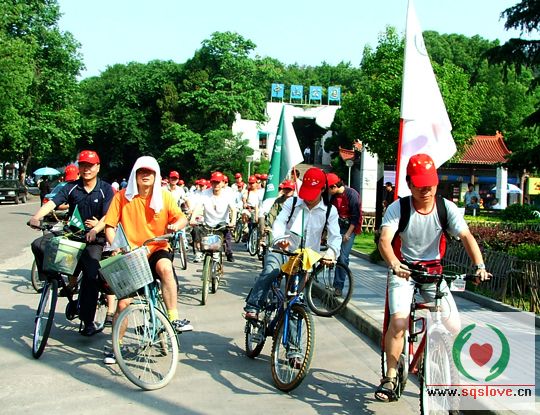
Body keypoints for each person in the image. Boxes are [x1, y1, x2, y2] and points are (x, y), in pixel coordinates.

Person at [375, 153, 491, 402]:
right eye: (419, 184)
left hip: (433, 273)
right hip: (404, 271)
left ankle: (438, 360)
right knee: (399, 323)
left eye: (430, 184)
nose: (426, 189)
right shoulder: (398, 208)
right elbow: (384, 241)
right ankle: (390, 376)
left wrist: (479, 266)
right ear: (409, 184)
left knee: (454, 326)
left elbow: (466, 236)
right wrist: (394, 264)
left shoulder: (446, 208)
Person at [103, 156, 192, 364]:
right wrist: (117, 246)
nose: (145, 175)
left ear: (156, 175)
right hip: (131, 254)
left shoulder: (164, 197)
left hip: (156, 248)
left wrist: (176, 225)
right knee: (123, 304)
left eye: (150, 172)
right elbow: (109, 226)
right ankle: (116, 346)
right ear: (135, 174)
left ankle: (173, 317)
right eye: (141, 171)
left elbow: (182, 218)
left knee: (166, 268)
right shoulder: (122, 197)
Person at [29, 150, 115, 336]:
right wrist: (36, 217)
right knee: (39, 244)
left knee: (91, 276)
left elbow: (109, 215)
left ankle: (88, 321)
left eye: (90, 166)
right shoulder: (71, 187)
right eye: (82, 165)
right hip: (72, 235)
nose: (86, 169)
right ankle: (51, 278)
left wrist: (95, 230)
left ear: (98, 167)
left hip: (94, 239)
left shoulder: (106, 189)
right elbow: (52, 203)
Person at [243, 167, 341, 319]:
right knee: (271, 271)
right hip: (282, 251)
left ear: (323, 189)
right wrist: (279, 239)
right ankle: (253, 307)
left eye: (313, 193)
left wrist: (331, 253)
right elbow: (279, 222)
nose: (308, 198)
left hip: (305, 259)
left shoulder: (330, 211)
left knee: (295, 300)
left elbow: (335, 236)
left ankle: (291, 332)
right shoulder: (293, 202)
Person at [326, 173, 362, 296]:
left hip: (349, 228)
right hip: (336, 227)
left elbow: (356, 217)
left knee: (343, 257)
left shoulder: (352, 194)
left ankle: (338, 286)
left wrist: (347, 234)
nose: (328, 191)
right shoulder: (333, 197)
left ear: (334, 186)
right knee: (332, 253)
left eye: (329, 188)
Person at [191, 171, 237, 262]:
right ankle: (200, 251)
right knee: (195, 230)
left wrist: (233, 222)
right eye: (214, 182)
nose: (216, 185)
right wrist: (192, 218)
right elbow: (198, 207)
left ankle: (223, 254)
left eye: (218, 182)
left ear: (223, 183)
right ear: (211, 183)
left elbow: (233, 209)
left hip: (221, 225)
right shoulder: (205, 193)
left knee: (224, 239)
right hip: (207, 224)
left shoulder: (228, 194)